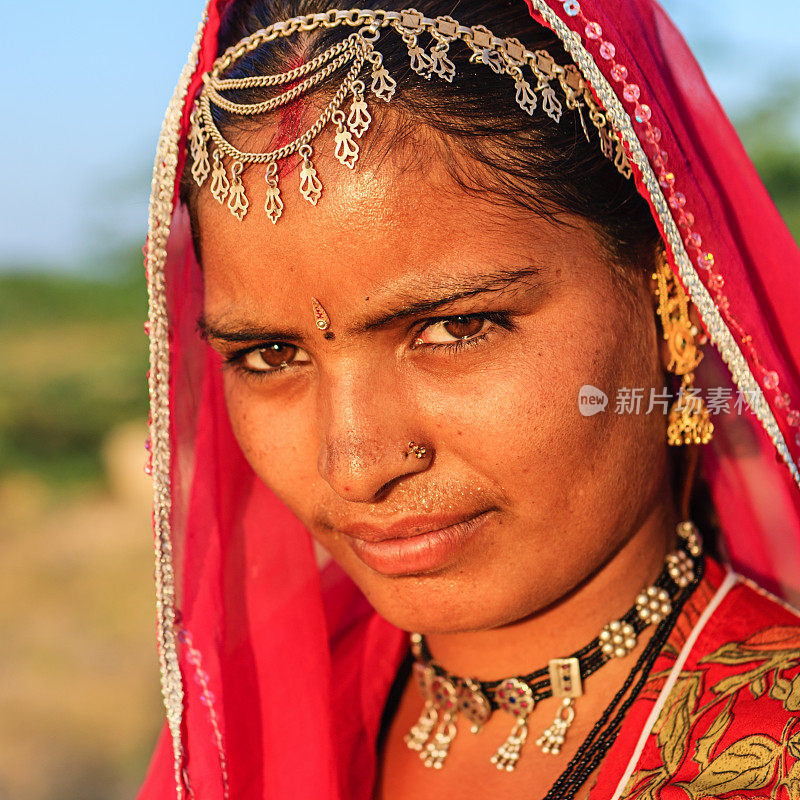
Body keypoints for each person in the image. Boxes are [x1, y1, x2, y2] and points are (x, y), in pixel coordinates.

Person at [136, 1, 800, 798]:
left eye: (456, 327)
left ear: (672, 299)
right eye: (270, 354)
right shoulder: (261, 720)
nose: (354, 464)